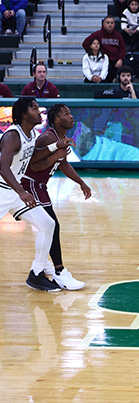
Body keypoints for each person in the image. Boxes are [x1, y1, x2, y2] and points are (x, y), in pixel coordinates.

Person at [22, 103, 91, 290]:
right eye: (66, 114)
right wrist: (55, 155)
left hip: (40, 186)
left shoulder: (62, 138)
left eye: (70, 113)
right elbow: (33, 166)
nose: (71, 116)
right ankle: (59, 272)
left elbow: (63, 163)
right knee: (52, 226)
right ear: (56, 119)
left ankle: (43, 265)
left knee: (48, 226)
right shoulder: (46, 138)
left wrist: (81, 182)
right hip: (29, 184)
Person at [0, 98, 66, 291]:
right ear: (23, 114)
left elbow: (34, 157)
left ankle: (36, 274)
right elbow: (3, 167)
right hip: (3, 190)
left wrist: (56, 146)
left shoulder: (32, 134)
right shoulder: (13, 136)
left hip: (14, 191)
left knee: (48, 224)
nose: (39, 112)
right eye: (34, 108)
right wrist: (22, 192)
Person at [82, 16, 126, 82]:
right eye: (108, 23)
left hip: (115, 60)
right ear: (103, 24)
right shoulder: (97, 34)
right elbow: (85, 43)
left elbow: (122, 48)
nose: (110, 24)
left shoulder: (118, 35)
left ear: (114, 24)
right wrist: (93, 52)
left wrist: (120, 59)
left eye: (112, 23)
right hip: (102, 59)